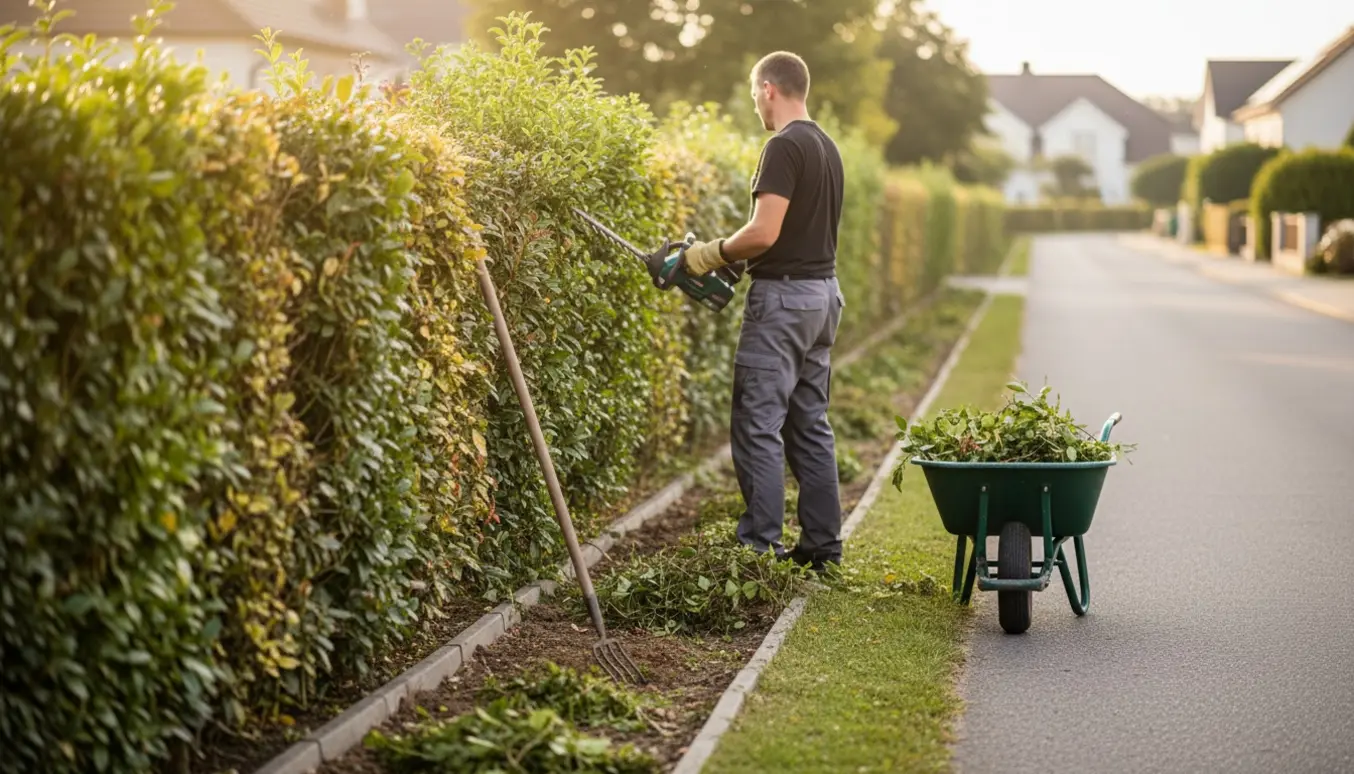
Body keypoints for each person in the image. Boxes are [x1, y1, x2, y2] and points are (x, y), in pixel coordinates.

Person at [679, 51, 846, 573]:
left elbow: (764, 232)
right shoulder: (826, 146)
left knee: (758, 424)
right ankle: (821, 548)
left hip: (784, 304)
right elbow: (795, 234)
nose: (755, 102)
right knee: (810, 424)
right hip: (823, 296)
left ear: (769, 89)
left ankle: (760, 551)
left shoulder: (782, 146)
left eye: (755, 93)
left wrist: (707, 254)